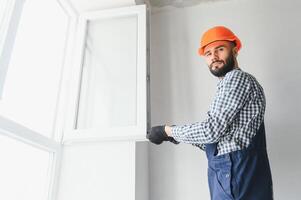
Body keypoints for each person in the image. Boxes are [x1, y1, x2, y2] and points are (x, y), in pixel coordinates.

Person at [146, 26, 273, 200]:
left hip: (235, 173)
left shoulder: (236, 79)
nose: (213, 57)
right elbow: (218, 142)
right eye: (208, 53)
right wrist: (175, 136)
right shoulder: (229, 85)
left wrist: (167, 130)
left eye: (220, 49)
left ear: (234, 51)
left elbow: (211, 131)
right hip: (235, 173)